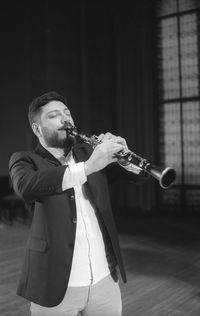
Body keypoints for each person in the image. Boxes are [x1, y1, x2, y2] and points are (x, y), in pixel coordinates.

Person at [9, 91, 148, 316]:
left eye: (68, 113)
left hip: (105, 279)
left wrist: (126, 156)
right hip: (55, 286)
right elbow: (26, 186)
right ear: (37, 128)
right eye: (54, 115)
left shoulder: (90, 153)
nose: (66, 120)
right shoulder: (25, 160)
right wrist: (88, 167)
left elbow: (137, 177)